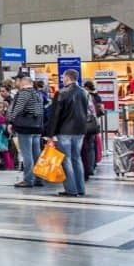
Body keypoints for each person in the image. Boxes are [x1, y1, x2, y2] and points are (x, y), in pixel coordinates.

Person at [46, 69, 89, 197]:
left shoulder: (61, 93)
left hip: (65, 130)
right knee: (77, 158)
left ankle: (71, 189)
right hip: (80, 130)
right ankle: (80, 188)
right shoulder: (84, 92)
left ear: (68, 78)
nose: (62, 79)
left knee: (66, 160)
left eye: (63, 77)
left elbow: (55, 115)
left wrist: (50, 134)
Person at [8, 76, 44, 187]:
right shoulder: (37, 94)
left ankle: (28, 180)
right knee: (36, 154)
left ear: (23, 83)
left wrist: (10, 121)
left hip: (25, 127)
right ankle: (39, 178)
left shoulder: (24, 93)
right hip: (37, 127)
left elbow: (18, 109)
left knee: (27, 154)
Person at [82, 81, 105, 180]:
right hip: (94, 124)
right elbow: (101, 111)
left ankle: (87, 168)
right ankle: (92, 166)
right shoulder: (97, 97)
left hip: (85, 125)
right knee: (92, 146)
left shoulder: (84, 96)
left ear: (86, 87)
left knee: (85, 148)